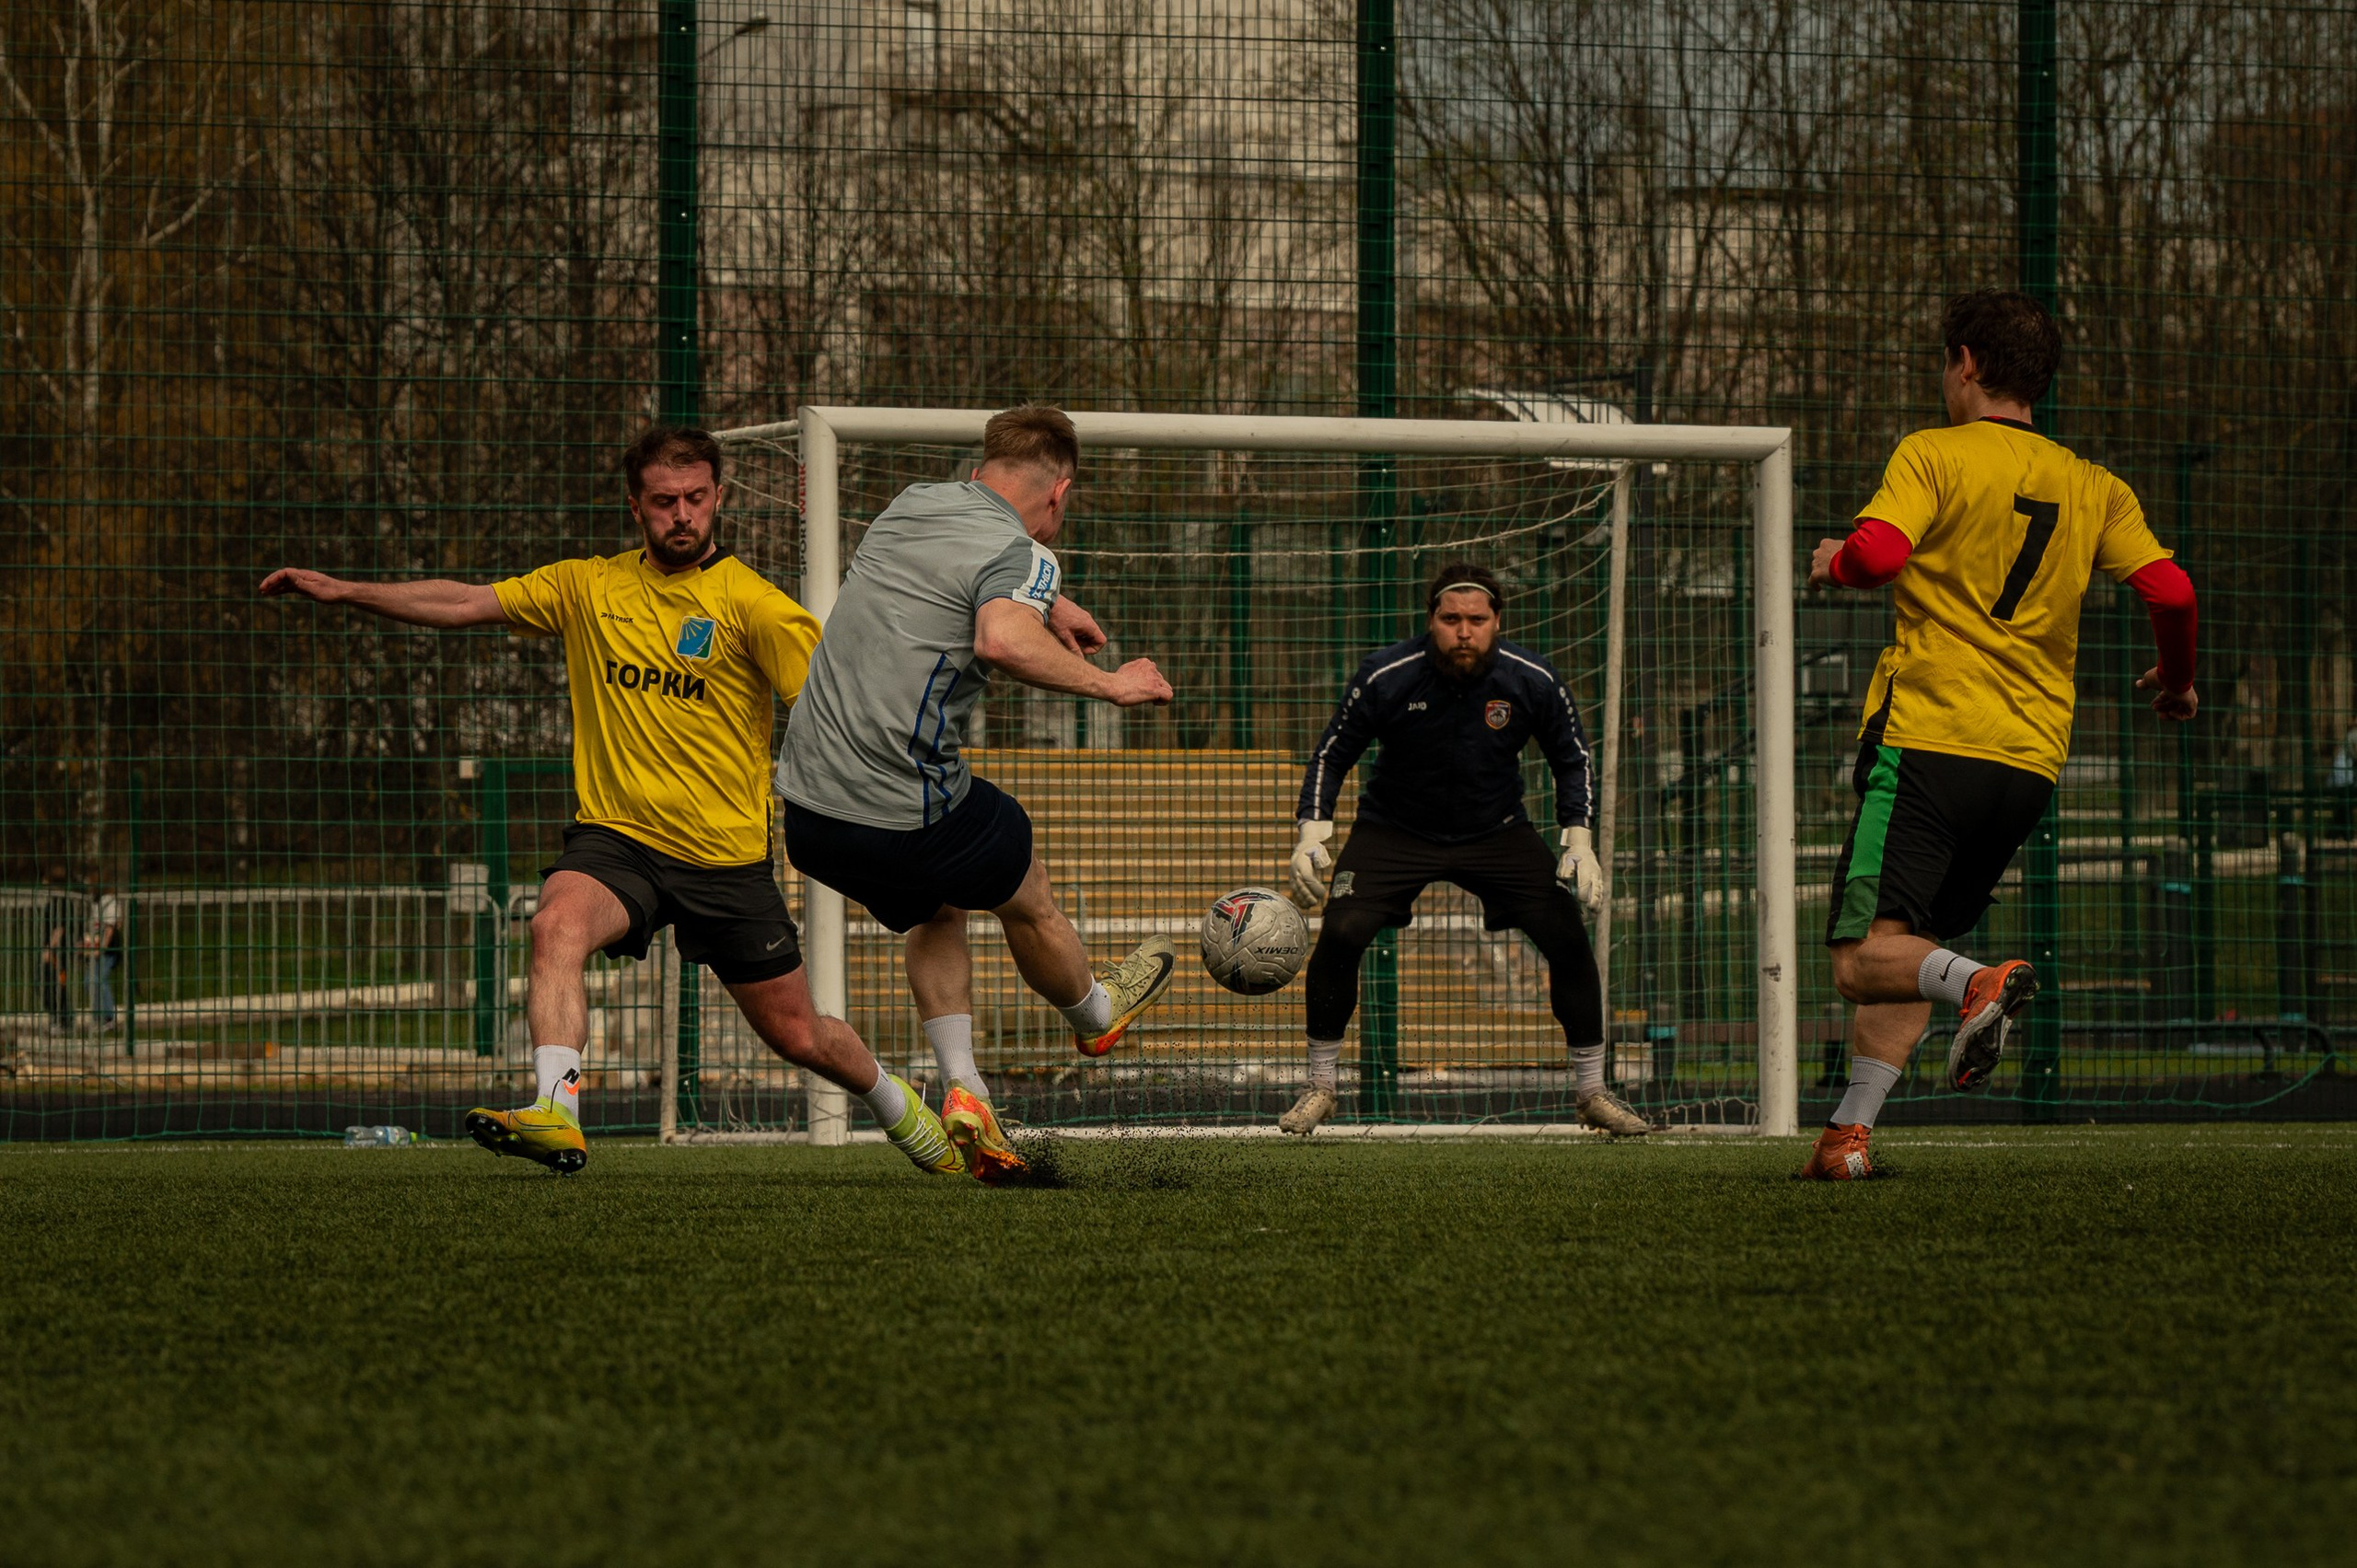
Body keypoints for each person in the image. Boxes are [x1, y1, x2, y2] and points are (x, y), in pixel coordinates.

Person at [261, 427, 960, 1178]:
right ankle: (555, 1111)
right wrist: (344, 591)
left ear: (719, 497)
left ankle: (903, 1109)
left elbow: (836, 706)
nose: (682, 515)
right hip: (617, 840)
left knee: (798, 1034)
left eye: (696, 498)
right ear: (636, 507)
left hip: (724, 860)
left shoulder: (752, 605)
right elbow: (464, 600)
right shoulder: (587, 586)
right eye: (665, 502)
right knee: (554, 923)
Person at [1803, 289, 2199, 1180]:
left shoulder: (1934, 452)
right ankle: (1846, 1136)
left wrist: (1833, 561)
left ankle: (1981, 982)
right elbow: (2172, 594)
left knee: (1863, 957)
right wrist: (2175, 683)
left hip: (1930, 735)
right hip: (2027, 760)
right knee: (1914, 944)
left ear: (1967, 363)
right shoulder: (2093, 484)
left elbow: (1875, 557)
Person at [779, 403, 1179, 1185]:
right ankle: (1095, 1014)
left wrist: (1047, 604)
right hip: (898, 805)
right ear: (1059, 493)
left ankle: (966, 1090)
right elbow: (1000, 637)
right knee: (1020, 871)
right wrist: (1112, 685)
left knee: (937, 903)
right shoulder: (1025, 552)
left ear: (980, 469)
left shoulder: (911, 503)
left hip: (807, 808)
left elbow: (949, 579)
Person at [1279, 561, 1649, 1138]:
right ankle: (1320, 1086)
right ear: (1431, 621)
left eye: (1477, 619)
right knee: (1342, 931)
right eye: (1451, 619)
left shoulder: (1533, 679)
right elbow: (1333, 753)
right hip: (1393, 830)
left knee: (1567, 935)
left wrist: (1579, 839)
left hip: (1496, 830)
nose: (1464, 631)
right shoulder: (1386, 674)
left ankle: (1592, 1092)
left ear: (1497, 621)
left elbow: (1572, 759)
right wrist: (1311, 831)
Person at [81, 881, 123, 1030]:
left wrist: (102, 948)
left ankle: (108, 1017)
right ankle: (98, 1015)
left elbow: (110, 928)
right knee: (89, 982)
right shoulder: (94, 901)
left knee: (98, 980)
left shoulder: (109, 901)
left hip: (108, 950)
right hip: (95, 945)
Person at [38, 865, 75, 1033]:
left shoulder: (62, 902)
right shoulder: (52, 901)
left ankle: (63, 1020)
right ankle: (57, 1017)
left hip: (58, 952)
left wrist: (50, 949)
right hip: (51, 950)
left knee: (56, 984)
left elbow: (60, 928)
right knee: (44, 983)